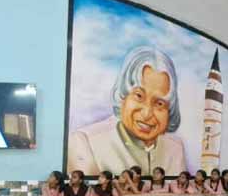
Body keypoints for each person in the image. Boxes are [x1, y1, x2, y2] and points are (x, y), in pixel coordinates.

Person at [68, 46, 186, 175]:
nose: (147, 114)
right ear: (122, 95)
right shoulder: (85, 143)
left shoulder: (175, 148)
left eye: (159, 103)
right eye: (139, 96)